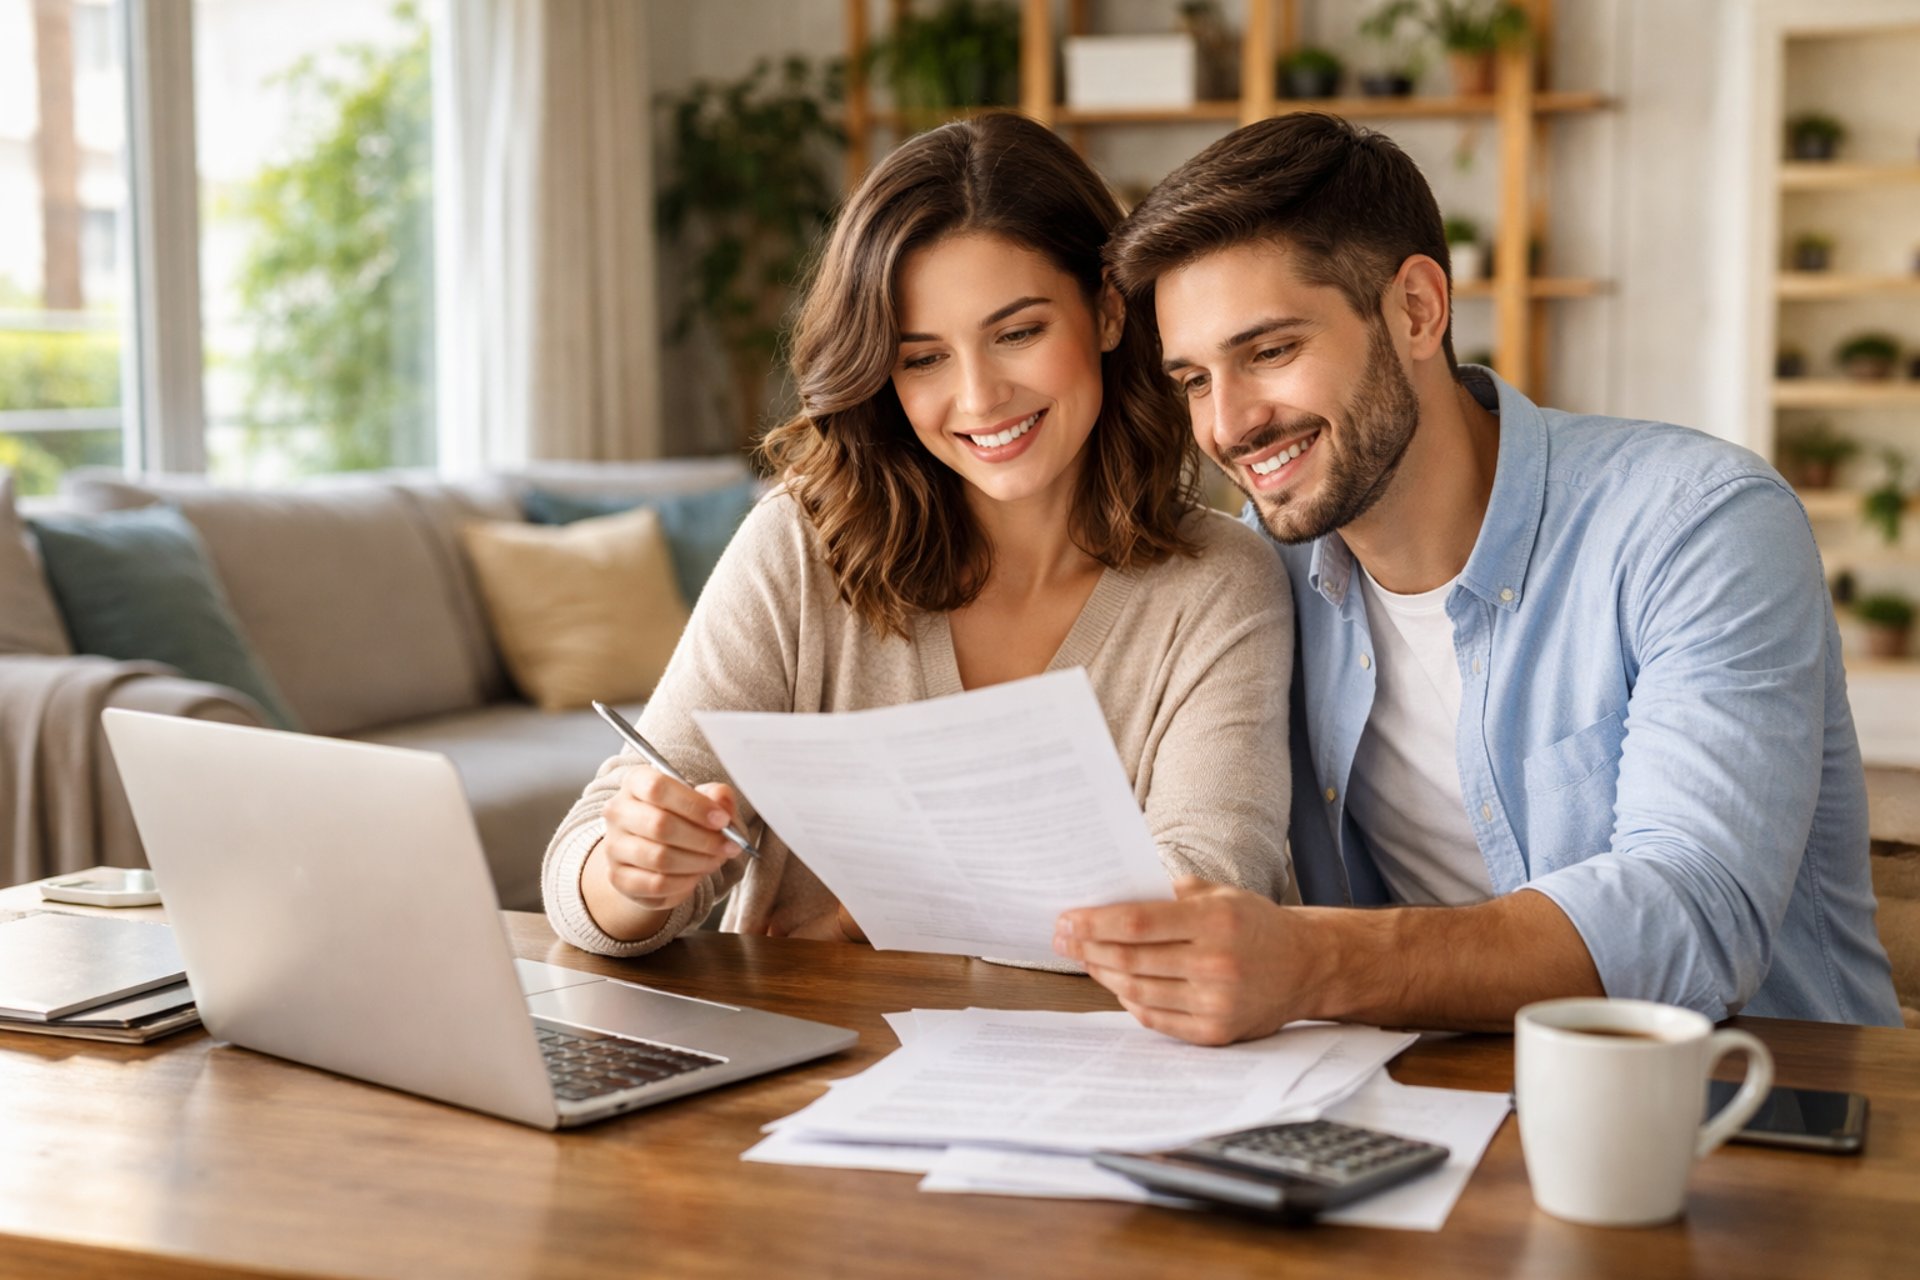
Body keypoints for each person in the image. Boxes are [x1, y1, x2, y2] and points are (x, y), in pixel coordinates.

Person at [1053, 112, 1901, 1042]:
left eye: (1270, 351)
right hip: (1432, 1110)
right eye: (1194, 381)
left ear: (1418, 309)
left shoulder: (1698, 524)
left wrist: (1316, 962)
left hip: (1761, 1117)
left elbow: (1694, 914)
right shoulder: (1260, 572)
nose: (1229, 426)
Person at [542, 113, 1294, 959]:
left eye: (1018, 333)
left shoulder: (1222, 580)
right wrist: (634, 873)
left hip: (1098, 1075)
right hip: (811, 1075)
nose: (978, 399)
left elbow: (1210, 891)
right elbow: (583, 881)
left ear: (1109, 312)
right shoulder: (802, 547)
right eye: (922, 358)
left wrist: (861, 922)